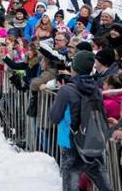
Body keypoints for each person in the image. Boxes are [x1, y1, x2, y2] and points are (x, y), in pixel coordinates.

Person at [48, 50, 114, 191]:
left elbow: (54, 117)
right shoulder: (96, 89)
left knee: (71, 185)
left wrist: (60, 95)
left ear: (74, 68)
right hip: (92, 141)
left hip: (70, 144)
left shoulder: (66, 91)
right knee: (104, 185)